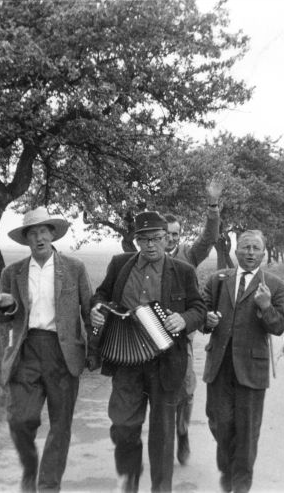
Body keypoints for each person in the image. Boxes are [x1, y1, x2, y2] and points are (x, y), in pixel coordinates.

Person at [90, 211, 206, 493]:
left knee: (163, 434)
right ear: (136, 241)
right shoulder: (120, 264)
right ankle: (130, 479)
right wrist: (97, 309)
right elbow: (101, 295)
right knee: (122, 425)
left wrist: (184, 319)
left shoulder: (183, 271)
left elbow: (199, 309)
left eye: (156, 238)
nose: (150, 245)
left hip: (166, 361)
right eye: (143, 239)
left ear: (167, 239)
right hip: (127, 359)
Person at [0, 207, 94, 492]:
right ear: (26, 239)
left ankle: (49, 485)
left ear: (53, 234)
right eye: (33, 233)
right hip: (26, 352)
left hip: (63, 354)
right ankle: (29, 469)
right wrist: (3, 307)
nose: (39, 238)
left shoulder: (74, 268)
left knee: (60, 426)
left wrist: (94, 351)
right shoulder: (12, 272)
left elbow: (89, 311)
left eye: (43, 232)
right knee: (20, 419)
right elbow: (4, 318)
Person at [202, 230, 284, 493]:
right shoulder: (217, 280)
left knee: (247, 431)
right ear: (236, 251)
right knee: (218, 423)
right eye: (245, 247)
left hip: (251, 369)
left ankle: (240, 485)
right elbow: (201, 316)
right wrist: (207, 320)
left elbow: (279, 327)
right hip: (219, 366)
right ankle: (229, 471)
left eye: (255, 248)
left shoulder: (274, 285)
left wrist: (266, 306)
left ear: (263, 253)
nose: (250, 252)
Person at [163, 178, 223, 465]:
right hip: (149, 335)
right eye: (166, 234)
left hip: (181, 335)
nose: (170, 238)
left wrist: (212, 205)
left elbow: (209, 237)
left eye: (175, 234)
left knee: (186, 389)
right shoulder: (145, 257)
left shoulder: (189, 255)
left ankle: (182, 430)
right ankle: (161, 439)